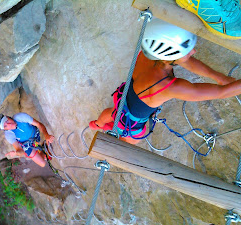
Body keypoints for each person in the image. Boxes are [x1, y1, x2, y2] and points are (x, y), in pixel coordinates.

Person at [89, 18, 241, 145]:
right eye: (188, 51)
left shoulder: (150, 53)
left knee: (112, 114)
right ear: (170, 55)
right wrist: (222, 83)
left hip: (124, 98)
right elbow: (222, 93)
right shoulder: (166, 86)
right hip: (132, 121)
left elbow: (186, 61)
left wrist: (219, 77)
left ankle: (97, 124)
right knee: (130, 140)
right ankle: (113, 144)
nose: (193, 52)